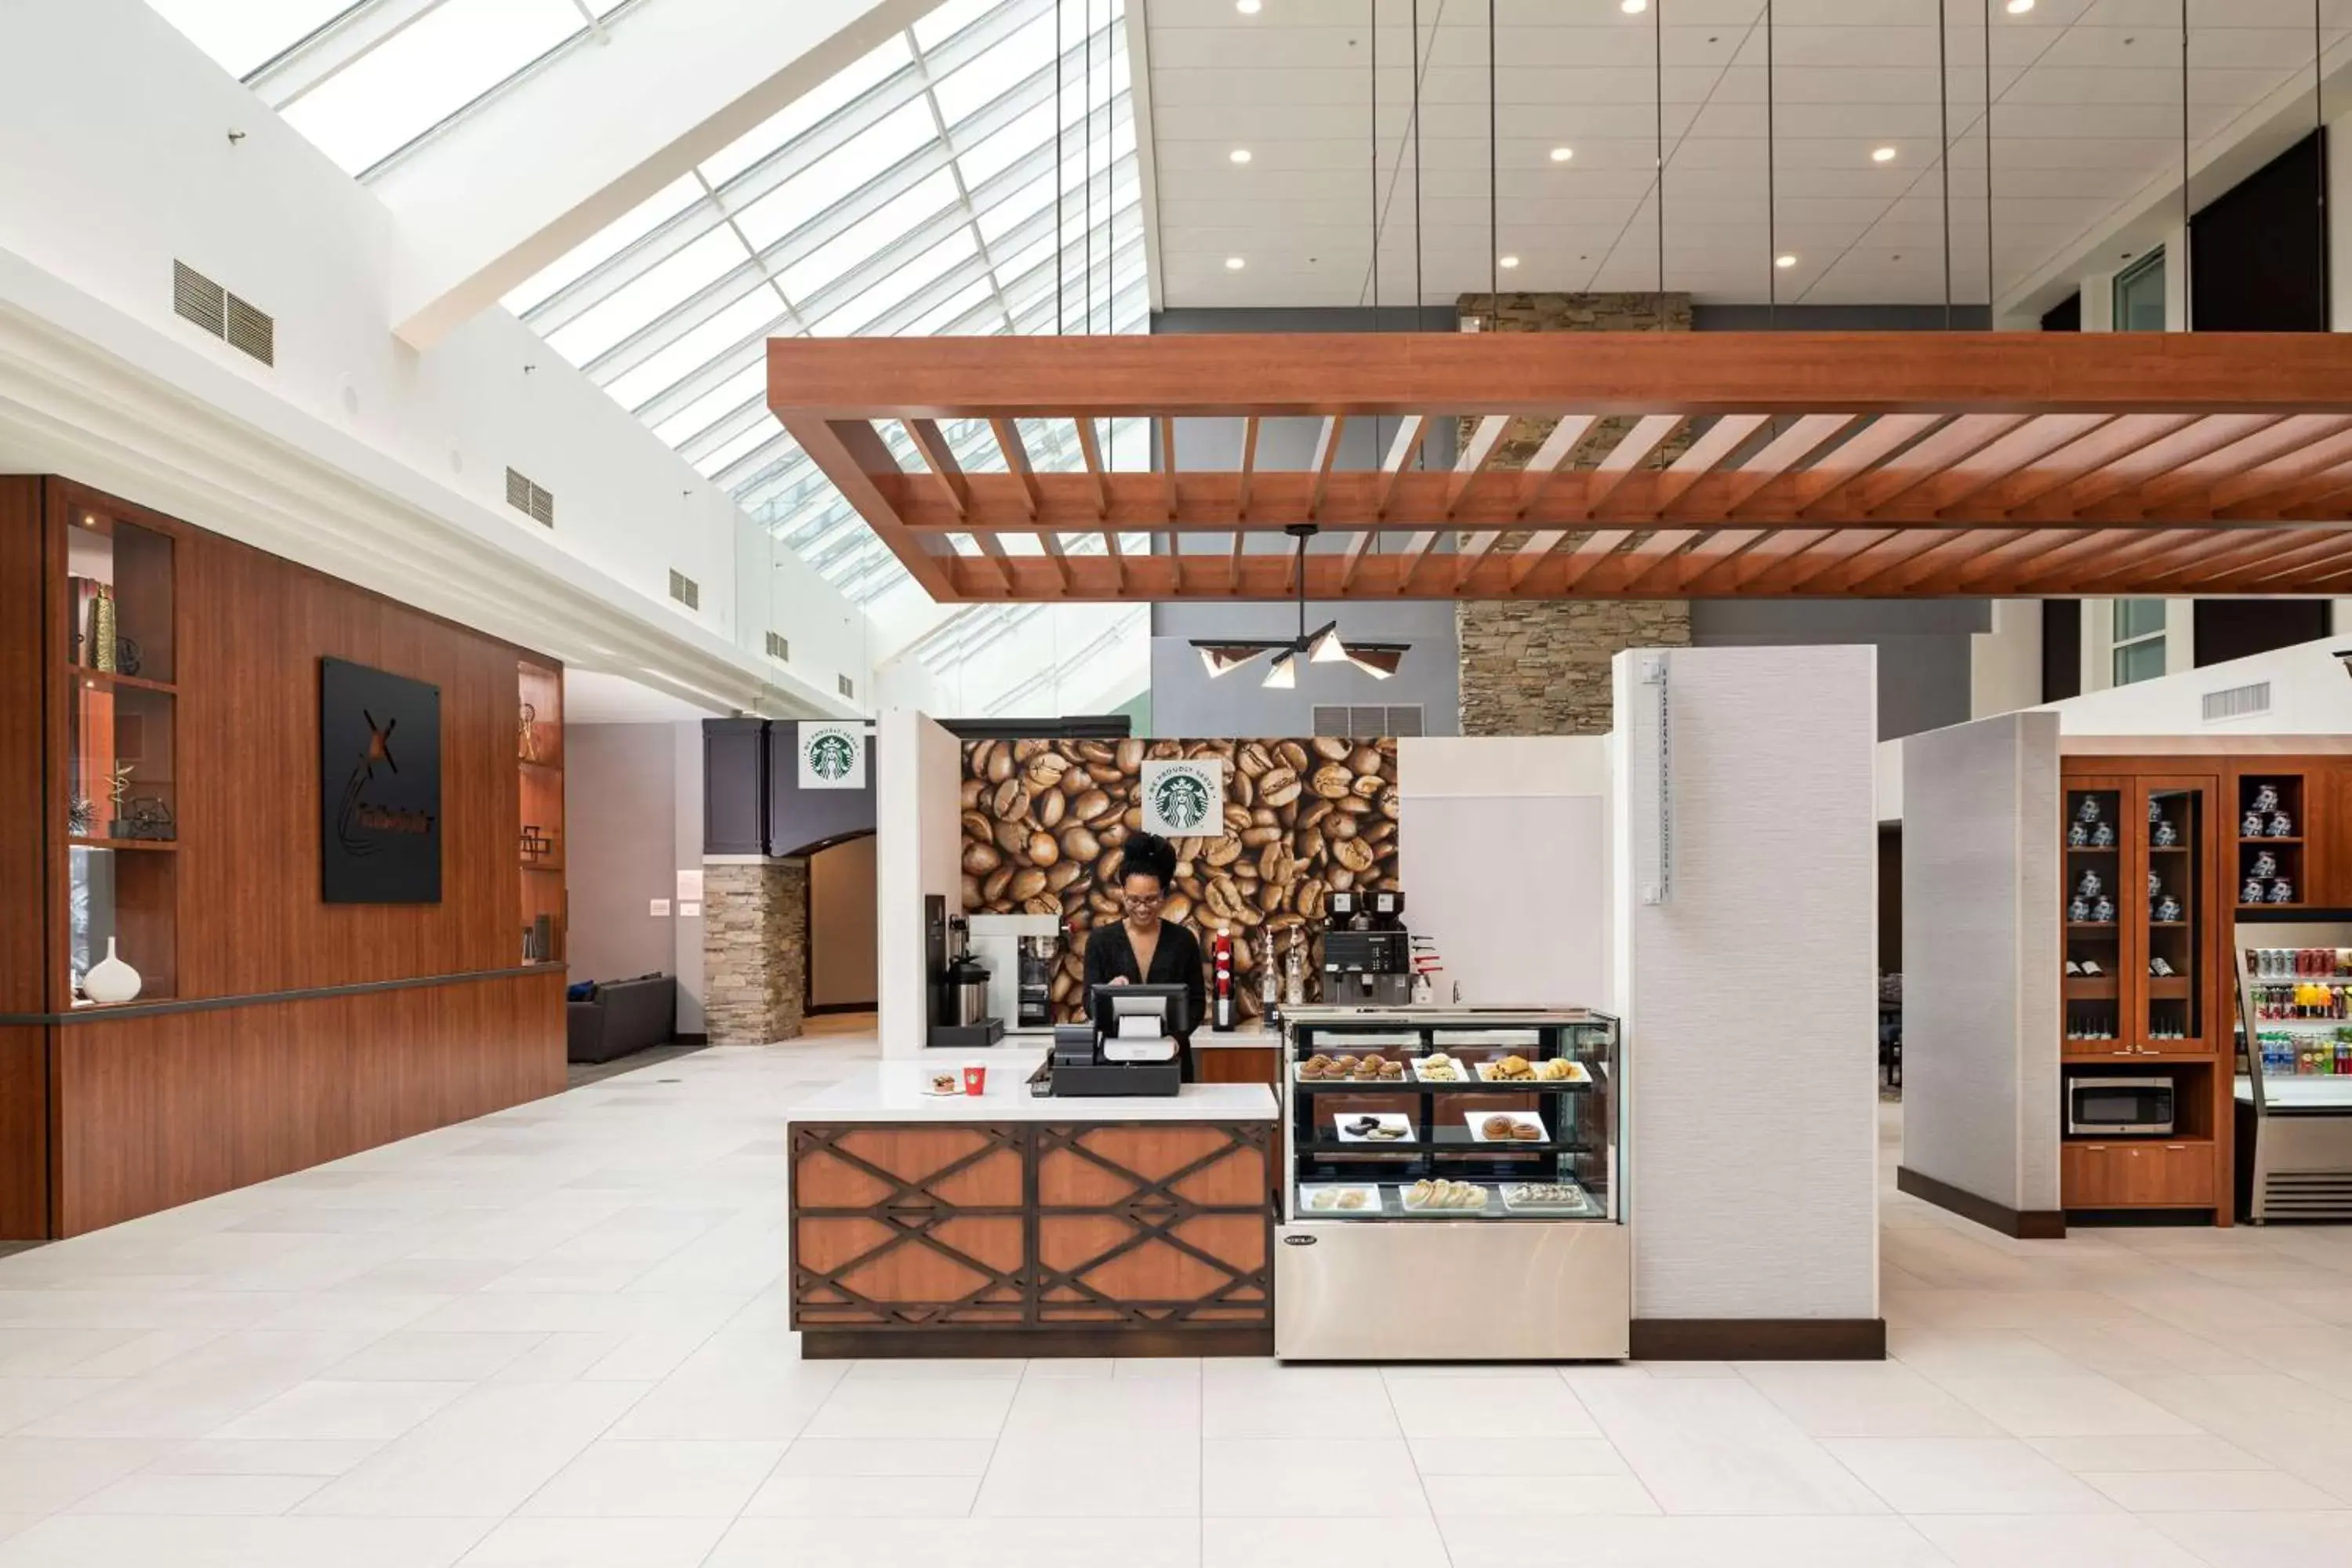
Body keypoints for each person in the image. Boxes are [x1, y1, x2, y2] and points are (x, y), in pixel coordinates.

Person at [1083, 830, 1206, 1081]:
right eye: (1133, 900)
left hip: (1174, 1060)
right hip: (1115, 1063)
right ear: (1123, 893)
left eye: (1150, 900)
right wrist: (1106, 992)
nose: (1141, 908)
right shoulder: (1101, 941)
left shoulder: (1183, 941)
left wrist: (1176, 1039)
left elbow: (1196, 1002)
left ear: (1163, 894)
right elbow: (1088, 1002)